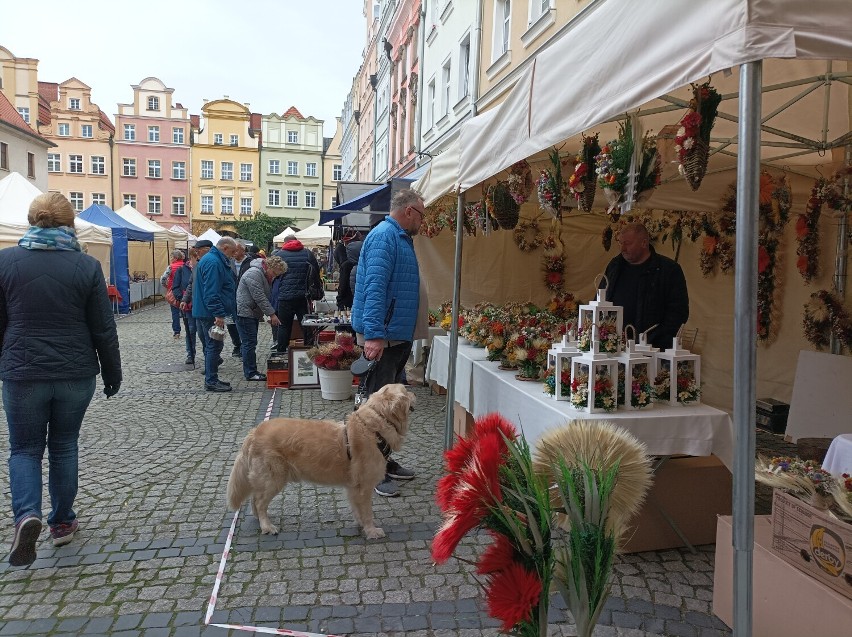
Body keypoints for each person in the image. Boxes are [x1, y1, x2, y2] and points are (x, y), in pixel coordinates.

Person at [0, 192, 122, 566]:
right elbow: (103, 327)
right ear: (70, 224)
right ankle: (63, 524)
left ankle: (27, 515)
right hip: (75, 372)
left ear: (32, 219)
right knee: (65, 446)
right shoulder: (85, 266)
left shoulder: (5, 261)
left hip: (22, 372)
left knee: (24, 449)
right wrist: (113, 372)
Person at [351, 189, 424, 497]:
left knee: (389, 409)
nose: (423, 221)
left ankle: (385, 460)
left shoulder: (398, 237)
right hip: (384, 335)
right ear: (409, 211)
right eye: (422, 214)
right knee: (376, 409)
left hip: (396, 334)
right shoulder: (386, 236)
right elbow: (375, 287)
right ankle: (372, 469)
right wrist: (375, 335)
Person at [602, 222, 689, 349]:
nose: (622, 249)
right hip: (613, 345)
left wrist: (656, 337)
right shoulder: (615, 265)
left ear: (644, 243)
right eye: (620, 243)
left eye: (627, 243)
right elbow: (600, 297)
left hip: (652, 348)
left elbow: (678, 311)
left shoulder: (668, 270)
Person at [192, 236, 237, 392]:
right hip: (210, 312)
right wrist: (218, 314)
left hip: (207, 310)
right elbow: (211, 292)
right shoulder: (213, 262)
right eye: (232, 251)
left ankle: (213, 378)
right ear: (224, 248)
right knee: (213, 346)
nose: (232, 255)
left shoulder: (211, 259)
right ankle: (211, 380)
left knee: (213, 345)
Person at [235, 256, 286, 380]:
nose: (274, 276)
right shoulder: (255, 273)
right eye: (274, 273)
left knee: (250, 342)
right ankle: (251, 373)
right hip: (246, 312)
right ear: (269, 267)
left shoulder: (262, 274)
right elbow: (259, 297)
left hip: (251, 311)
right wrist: (271, 314)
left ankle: (251, 370)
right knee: (249, 343)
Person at [273, 233, 322, 352]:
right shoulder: (307, 253)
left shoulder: (279, 255)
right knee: (305, 323)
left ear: (285, 243)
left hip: (284, 296)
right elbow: (316, 271)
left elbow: (274, 275)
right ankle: (309, 349)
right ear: (297, 241)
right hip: (303, 296)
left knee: (284, 325)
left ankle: (281, 350)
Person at [180, 240, 213, 364]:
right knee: (200, 334)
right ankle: (209, 360)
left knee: (207, 336)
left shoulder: (206, 265)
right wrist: (185, 299)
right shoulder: (196, 267)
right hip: (195, 306)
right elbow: (190, 284)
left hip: (205, 307)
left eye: (197, 253)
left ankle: (210, 362)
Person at [172, 247, 199, 365]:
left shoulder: (202, 267)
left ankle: (211, 355)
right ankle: (190, 353)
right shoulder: (182, 270)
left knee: (204, 331)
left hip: (201, 304)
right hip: (188, 305)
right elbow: (175, 286)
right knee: (191, 329)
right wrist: (181, 298)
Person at [225, 240, 247, 358]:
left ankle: (245, 345)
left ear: (243, 250)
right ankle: (237, 345)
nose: (234, 253)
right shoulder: (228, 263)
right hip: (231, 298)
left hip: (245, 298)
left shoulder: (249, 263)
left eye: (236, 250)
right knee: (230, 323)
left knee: (244, 323)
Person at [160, 249, 186, 339]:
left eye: (171, 257)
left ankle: (177, 332)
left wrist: (166, 286)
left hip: (173, 291)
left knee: (175, 312)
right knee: (186, 311)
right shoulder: (186, 266)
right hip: (185, 292)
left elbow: (163, 279)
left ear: (175, 258)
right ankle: (189, 330)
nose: (170, 258)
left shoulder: (171, 267)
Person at [336, 232, 363, 311]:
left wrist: (339, 299)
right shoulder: (368, 263)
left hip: (348, 301)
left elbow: (343, 285)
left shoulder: (346, 265)